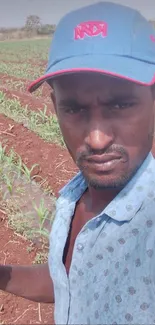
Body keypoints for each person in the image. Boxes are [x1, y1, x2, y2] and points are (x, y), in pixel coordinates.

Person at [1, 1, 155, 324]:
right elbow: (69, 282)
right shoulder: (73, 196)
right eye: (74, 110)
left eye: (121, 104)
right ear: (55, 106)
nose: (96, 139)